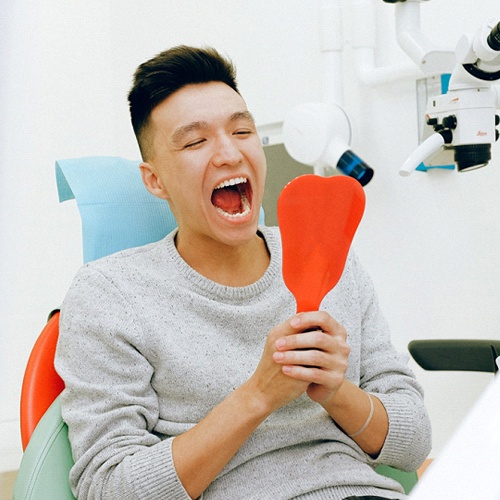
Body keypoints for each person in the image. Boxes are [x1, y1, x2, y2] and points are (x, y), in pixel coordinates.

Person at [55, 45, 431, 500]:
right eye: (196, 142)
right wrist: (257, 396)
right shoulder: (110, 294)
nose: (230, 153)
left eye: (242, 130)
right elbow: (109, 487)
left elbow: (414, 446)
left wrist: (336, 392)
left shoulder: (334, 263)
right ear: (154, 180)